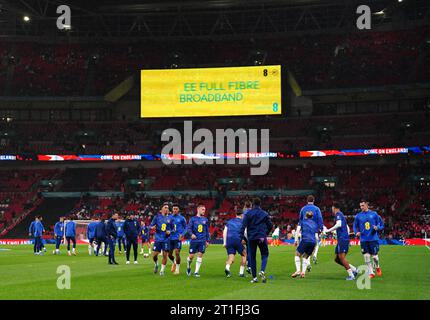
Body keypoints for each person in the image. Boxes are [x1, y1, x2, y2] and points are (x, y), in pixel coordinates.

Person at [239, 198, 273, 283]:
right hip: (261, 237)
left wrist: (241, 238)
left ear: (253, 204)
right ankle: (262, 271)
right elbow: (270, 225)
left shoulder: (248, 213)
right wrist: (266, 233)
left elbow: (243, 226)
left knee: (252, 257)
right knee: (265, 254)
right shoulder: (264, 213)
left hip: (252, 237)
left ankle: (254, 278)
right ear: (260, 204)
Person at [324, 201, 358, 280]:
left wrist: (328, 230)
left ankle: (351, 275)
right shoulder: (341, 215)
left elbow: (339, 224)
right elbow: (343, 226)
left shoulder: (338, 214)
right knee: (337, 259)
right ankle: (354, 270)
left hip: (343, 239)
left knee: (341, 258)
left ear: (334, 208)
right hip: (341, 239)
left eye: (332, 208)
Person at [353, 199, 384, 278]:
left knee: (374, 257)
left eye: (363, 205)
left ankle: (377, 267)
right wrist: (356, 232)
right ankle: (371, 272)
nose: (361, 207)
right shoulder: (358, 216)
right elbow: (355, 226)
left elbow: (381, 224)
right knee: (366, 256)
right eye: (360, 206)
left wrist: (378, 228)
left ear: (367, 205)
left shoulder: (374, 214)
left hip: (373, 238)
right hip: (363, 239)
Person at [298, 195, 324, 269]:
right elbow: (320, 219)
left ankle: (308, 263)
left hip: (305, 231)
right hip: (314, 230)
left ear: (307, 201)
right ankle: (315, 255)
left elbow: (300, 220)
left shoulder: (303, 209)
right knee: (315, 244)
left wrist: (300, 229)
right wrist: (321, 228)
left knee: (306, 247)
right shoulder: (317, 209)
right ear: (313, 200)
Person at [292, 210, 318, 278]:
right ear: (312, 217)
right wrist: (315, 245)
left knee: (297, 254)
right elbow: (316, 236)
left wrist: (296, 240)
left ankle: (298, 270)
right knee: (306, 256)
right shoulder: (315, 224)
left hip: (305, 240)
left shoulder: (302, 222)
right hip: (313, 242)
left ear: (305, 216)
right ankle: (303, 272)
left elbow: (297, 231)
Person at [186, 204, 210, 277]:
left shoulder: (205, 220)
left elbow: (207, 231)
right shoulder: (193, 219)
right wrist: (191, 234)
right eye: (202, 209)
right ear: (198, 209)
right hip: (194, 240)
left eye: (204, 210)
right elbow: (189, 228)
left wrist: (207, 241)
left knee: (200, 255)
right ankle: (188, 266)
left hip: (202, 240)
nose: (204, 211)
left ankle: (196, 272)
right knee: (191, 256)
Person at [150, 203, 173, 275]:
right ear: (161, 209)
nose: (167, 209)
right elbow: (151, 225)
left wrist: (170, 231)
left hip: (166, 239)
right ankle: (156, 264)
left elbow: (173, 229)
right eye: (165, 207)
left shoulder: (170, 218)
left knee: (165, 255)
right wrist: (152, 227)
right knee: (154, 255)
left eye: (168, 208)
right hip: (158, 239)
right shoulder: (157, 217)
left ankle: (162, 271)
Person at [223, 210, 247, 278]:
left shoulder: (229, 221)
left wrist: (225, 242)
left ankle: (227, 268)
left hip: (229, 241)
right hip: (238, 240)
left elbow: (225, 231)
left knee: (231, 258)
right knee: (244, 255)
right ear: (242, 215)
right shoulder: (243, 222)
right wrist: (246, 241)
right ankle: (241, 273)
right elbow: (245, 232)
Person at [168, 204, 187, 274]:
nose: (175, 210)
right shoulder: (169, 218)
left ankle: (177, 270)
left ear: (178, 210)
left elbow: (186, 228)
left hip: (177, 238)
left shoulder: (182, 218)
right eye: (174, 209)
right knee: (169, 255)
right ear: (172, 210)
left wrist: (182, 234)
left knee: (177, 252)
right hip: (170, 238)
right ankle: (174, 262)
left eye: (176, 209)